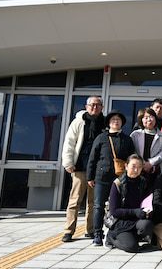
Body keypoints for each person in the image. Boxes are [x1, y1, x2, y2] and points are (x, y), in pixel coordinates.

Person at [86, 110, 135, 246]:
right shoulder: (101, 138)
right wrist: (90, 176)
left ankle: (115, 232)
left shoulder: (127, 139)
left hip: (121, 179)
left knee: (119, 206)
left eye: (118, 120)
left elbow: (132, 158)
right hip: (102, 177)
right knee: (98, 206)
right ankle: (97, 234)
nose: (116, 121)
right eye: (113, 119)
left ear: (122, 123)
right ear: (108, 123)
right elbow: (92, 158)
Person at [61, 95, 106, 242]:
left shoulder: (105, 123)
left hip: (97, 168)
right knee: (75, 200)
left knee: (93, 202)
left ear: (102, 107)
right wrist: (68, 162)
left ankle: (90, 230)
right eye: (92, 104)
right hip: (79, 167)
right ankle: (69, 231)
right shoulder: (79, 122)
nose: (95, 107)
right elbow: (69, 142)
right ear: (86, 106)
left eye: (98, 105)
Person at [106, 154, 154, 252]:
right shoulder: (118, 184)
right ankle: (110, 237)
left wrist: (147, 211)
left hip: (136, 220)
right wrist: (135, 212)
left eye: (139, 167)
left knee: (147, 225)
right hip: (120, 222)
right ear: (126, 166)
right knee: (132, 247)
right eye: (133, 167)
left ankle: (132, 237)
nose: (136, 170)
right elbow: (114, 211)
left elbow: (147, 202)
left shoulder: (143, 182)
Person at [130, 108, 162, 183]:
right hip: (137, 170)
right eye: (146, 117)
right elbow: (131, 150)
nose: (149, 120)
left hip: (156, 172)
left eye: (151, 117)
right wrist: (142, 163)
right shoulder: (135, 134)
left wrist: (151, 163)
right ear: (141, 120)